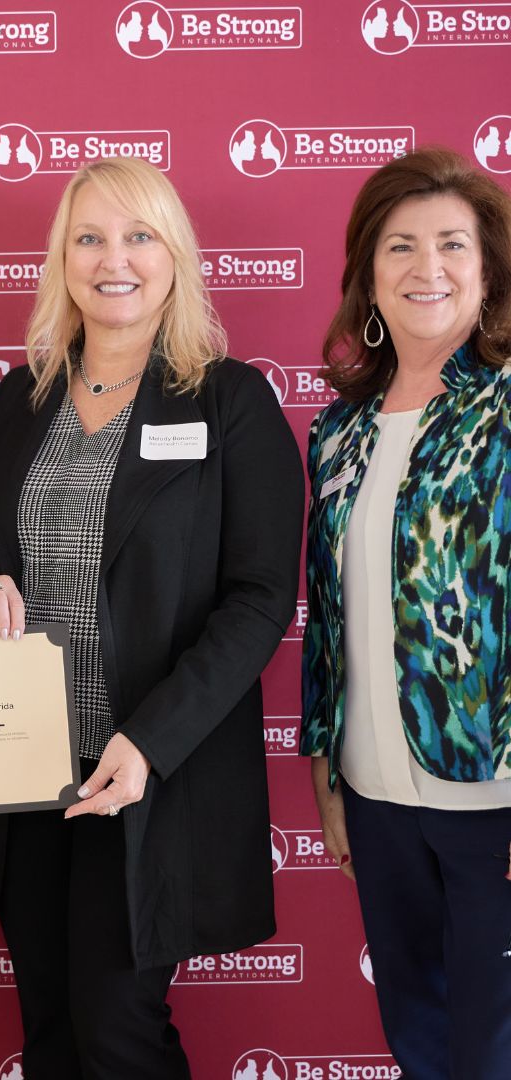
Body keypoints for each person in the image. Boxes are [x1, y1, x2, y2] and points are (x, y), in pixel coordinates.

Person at [0, 156, 304, 1078]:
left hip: (147, 772)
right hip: (25, 774)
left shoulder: (230, 403)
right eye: (91, 237)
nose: (116, 258)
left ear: (175, 254)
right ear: (62, 260)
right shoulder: (20, 401)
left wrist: (150, 741)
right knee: (55, 1036)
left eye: (139, 235)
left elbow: (260, 599)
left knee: (118, 1033)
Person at [301, 147, 511, 1079]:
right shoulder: (339, 427)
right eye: (401, 247)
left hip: (493, 790)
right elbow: (325, 607)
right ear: (368, 275)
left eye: (452, 245)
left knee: (494, 1045)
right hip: (377, 789)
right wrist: (324, 766)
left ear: (487, 267)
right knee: (418, 1033)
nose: (428, 269)